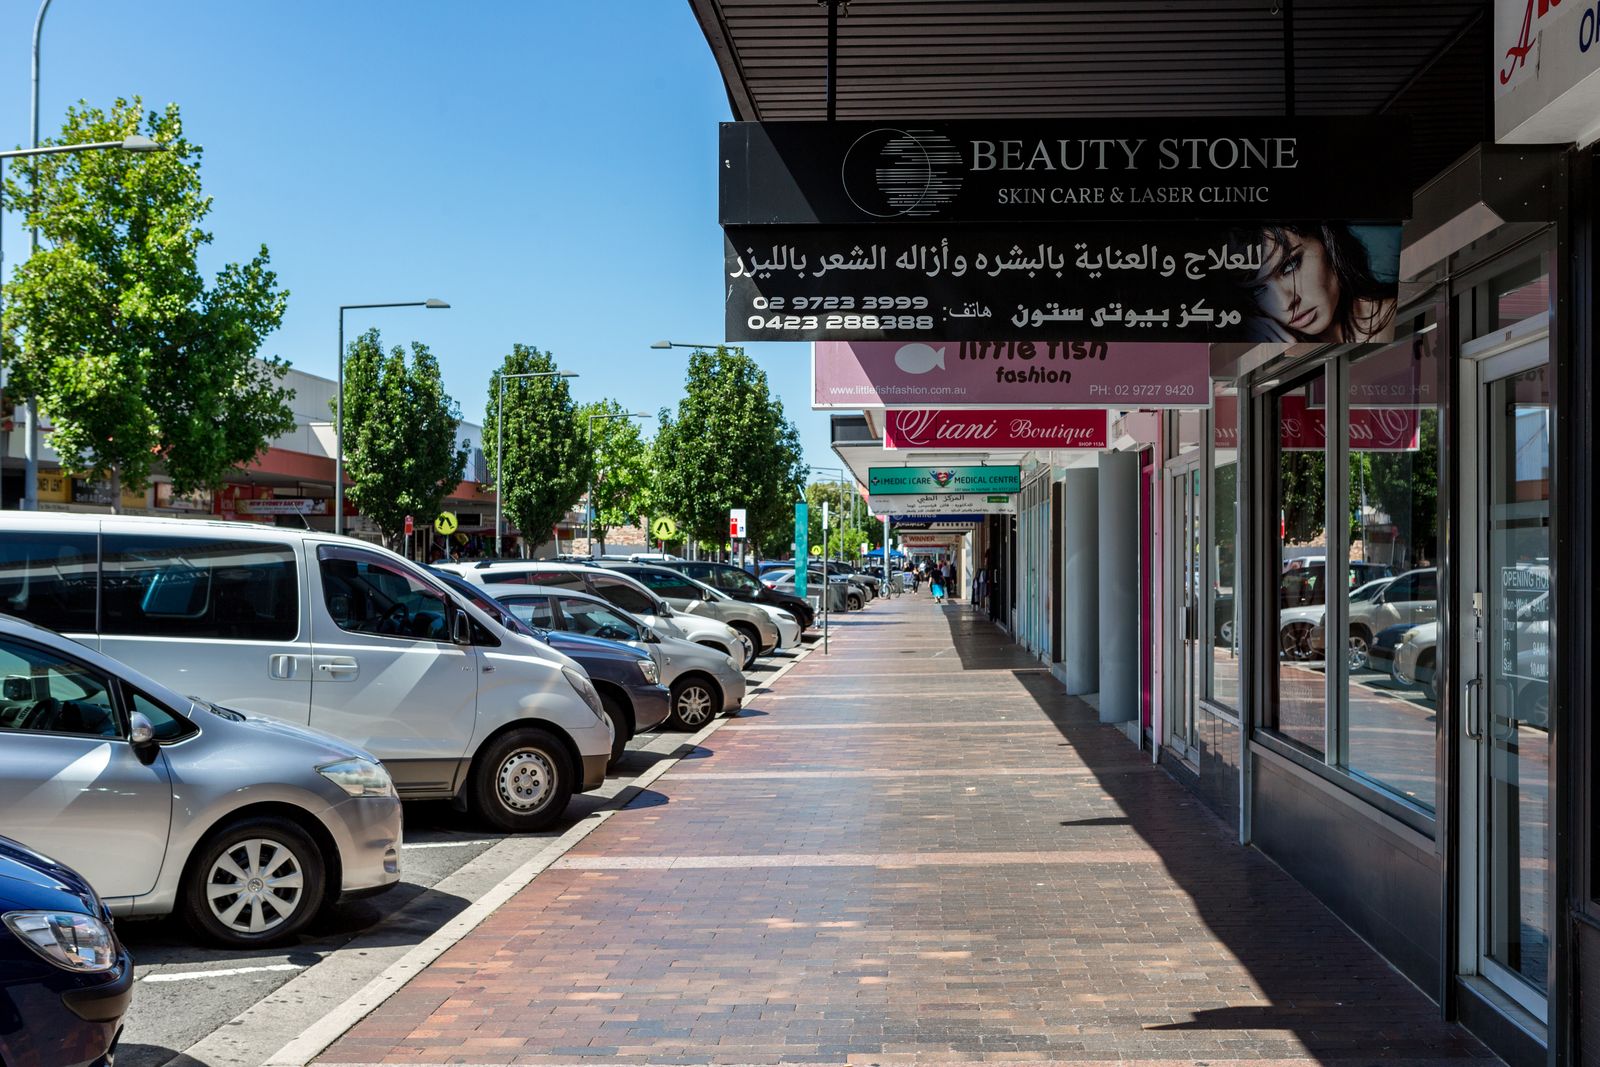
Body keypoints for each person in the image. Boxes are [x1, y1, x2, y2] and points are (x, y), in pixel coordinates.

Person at [1235, 222, 1397, 344]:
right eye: (1258, 289)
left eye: (1291, 265)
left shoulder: (1397, 319)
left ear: (1327, 241)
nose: (1285, 303)